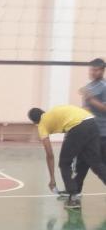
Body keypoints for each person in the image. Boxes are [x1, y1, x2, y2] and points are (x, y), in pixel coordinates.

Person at [28, 104, 106, 208]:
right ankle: (76, 189)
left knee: (64, 163)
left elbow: (50, 154)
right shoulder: (53, 113)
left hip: (78, 126)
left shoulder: (42, 125)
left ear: (35, 122)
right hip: (92, 122)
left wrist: (52, 179)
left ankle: (73, 198)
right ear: (43, 112)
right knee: (91, 162)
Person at [76, 58, 106, 192]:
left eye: (96, 70)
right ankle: (75, 191)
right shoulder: (88, 87)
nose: (93, 72)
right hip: (88, 133)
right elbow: (86, 109)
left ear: (102, 70)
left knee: (101, 165)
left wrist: (90, 98)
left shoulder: (104, 87)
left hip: (102, 133)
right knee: (81, 163)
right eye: (91, 69)